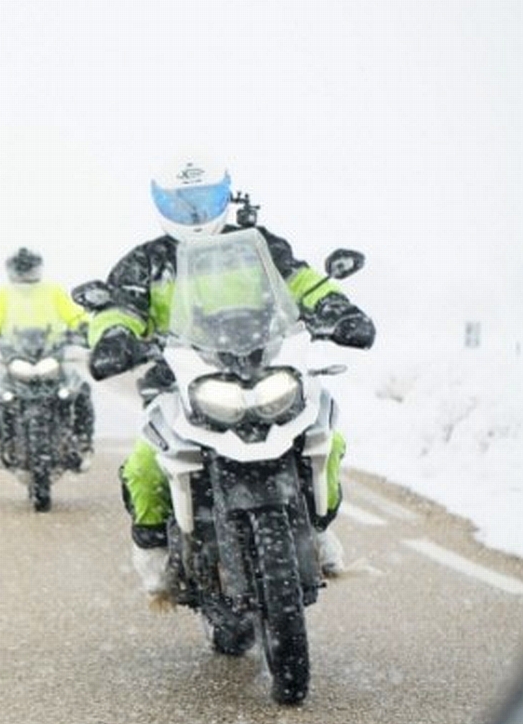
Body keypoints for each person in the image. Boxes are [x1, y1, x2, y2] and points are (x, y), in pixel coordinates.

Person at [84, 156, 375, 597]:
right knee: (145, 464)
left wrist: (339, 310)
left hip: (266, 366)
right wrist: (115, 337)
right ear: (162, 204)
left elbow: (302, 281)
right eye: (183, 202)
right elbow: (119, 309)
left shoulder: (257, 245)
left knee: (325, 438)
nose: (195, 212)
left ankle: (317, 528)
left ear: (224, 194)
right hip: (180, 380)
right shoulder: (146, 263)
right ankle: (154, 555)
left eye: (202, 199)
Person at [0, 247, 94, 466]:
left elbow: (74, 314)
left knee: (80, 389)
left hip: (51, 356)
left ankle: (82, 441)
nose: (25, 272)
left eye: (29, 267)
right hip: (15, 357)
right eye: (21, 268)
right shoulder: (4, 294)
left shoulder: (53, 291)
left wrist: (86, 329)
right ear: (12, 270)